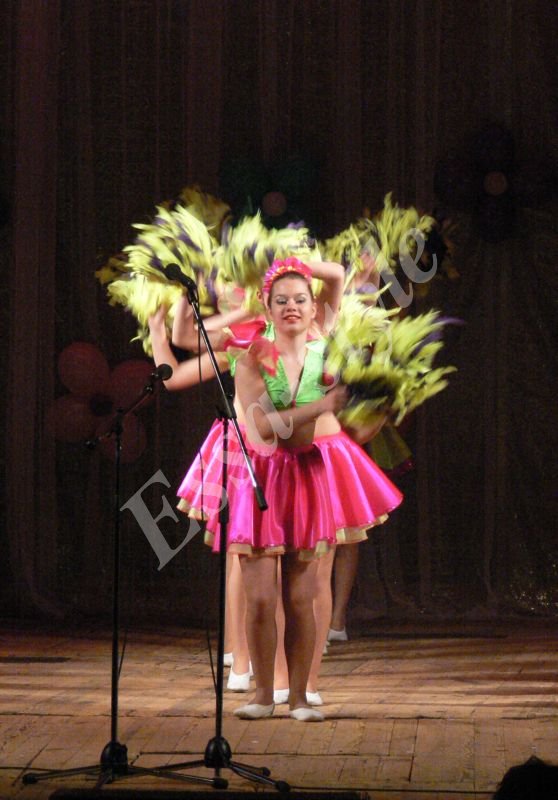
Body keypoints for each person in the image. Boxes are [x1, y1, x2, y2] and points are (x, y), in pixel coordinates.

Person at [175, 257, 403, 721]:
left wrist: (291, 258)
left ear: (315, 308)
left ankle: (299, 696)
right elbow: (263, 428)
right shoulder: (251, 357)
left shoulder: (328, 350)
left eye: (300, 299)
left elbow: (336, 277)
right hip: (259, 478)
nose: (292, 307)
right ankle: (263, 695)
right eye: (281, 301)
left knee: (301, 598)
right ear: (268, 308)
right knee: (261, 599)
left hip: (308, 476)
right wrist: (322, 405)